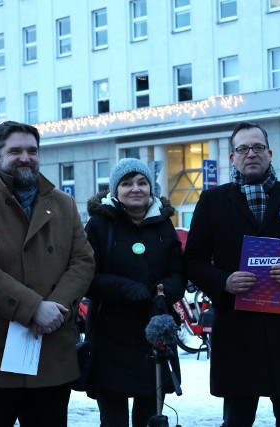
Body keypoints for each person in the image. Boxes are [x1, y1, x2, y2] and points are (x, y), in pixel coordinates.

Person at [0, 121, 95, 427]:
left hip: (51, 351)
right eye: (15, 151)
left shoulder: (64, 204)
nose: (25, 157)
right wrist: (33, 308)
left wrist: (55, 310)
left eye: (32, 150)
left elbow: (83, 261)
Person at [184, 122, 280, 427]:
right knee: (237, 420)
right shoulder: (212, 202)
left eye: (258, 147)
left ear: (270, 153)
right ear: (232, 158)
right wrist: (223, 281)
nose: (251, 153)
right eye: (243, 148)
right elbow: (194, 261)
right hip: (236, 327)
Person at [84, 158, 186, 427]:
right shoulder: (98, 225)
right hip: (110, 336)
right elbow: (86, 277)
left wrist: (165, 292)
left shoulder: (164, 225)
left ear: (151, 188)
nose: (135, 189)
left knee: (149, 418)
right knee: (113, 419)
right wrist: (126, 289)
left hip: (154, 333)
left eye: (142, 183)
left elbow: (178, 273)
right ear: (115, 190)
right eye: (127, 183)